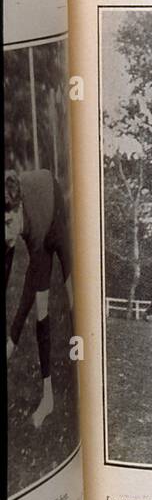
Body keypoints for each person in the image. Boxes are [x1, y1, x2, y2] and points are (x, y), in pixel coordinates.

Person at [5, 169, 73, 428]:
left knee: (70, 301)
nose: (5, 233)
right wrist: (12, 336)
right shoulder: (13, 217)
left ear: (19, 209)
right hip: (36, 214)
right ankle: (48, 397)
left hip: (54, 217)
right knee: (36, 312)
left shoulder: (35, 225)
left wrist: (13, 335)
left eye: (9, 223)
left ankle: (79, 366)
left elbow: (29, 288)